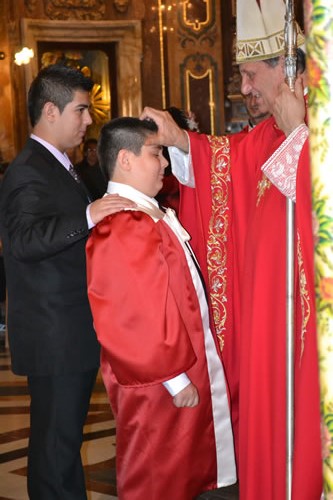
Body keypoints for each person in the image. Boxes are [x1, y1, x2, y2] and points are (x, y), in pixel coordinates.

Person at [140, 0, 323, 498]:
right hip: (271, 340)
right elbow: (226, 165)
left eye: (249, 75)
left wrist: (304, 132)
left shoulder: (314, 129)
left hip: (309, 342)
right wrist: (181, 140)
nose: (243, 89)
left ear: (284, 70)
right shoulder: (267, 134)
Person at [0, 64, 135, 499]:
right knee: (56, 449)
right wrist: (87, 216)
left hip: (68, 331)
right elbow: (22, 241)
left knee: (59, 446)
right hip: (53, 333)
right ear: (51, 111)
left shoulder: (59, 166)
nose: (89, 121)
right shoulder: (27, 170)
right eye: (81, 110)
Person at [86, 117, 237, 500]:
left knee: (179, 475)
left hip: (174, 375)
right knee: (156, 478)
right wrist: (174, 377)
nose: (165, 163)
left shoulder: (142, 214)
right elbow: (133, 312)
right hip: (159, 382)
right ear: (126, 159)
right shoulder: (124, 222)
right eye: (156, 153)